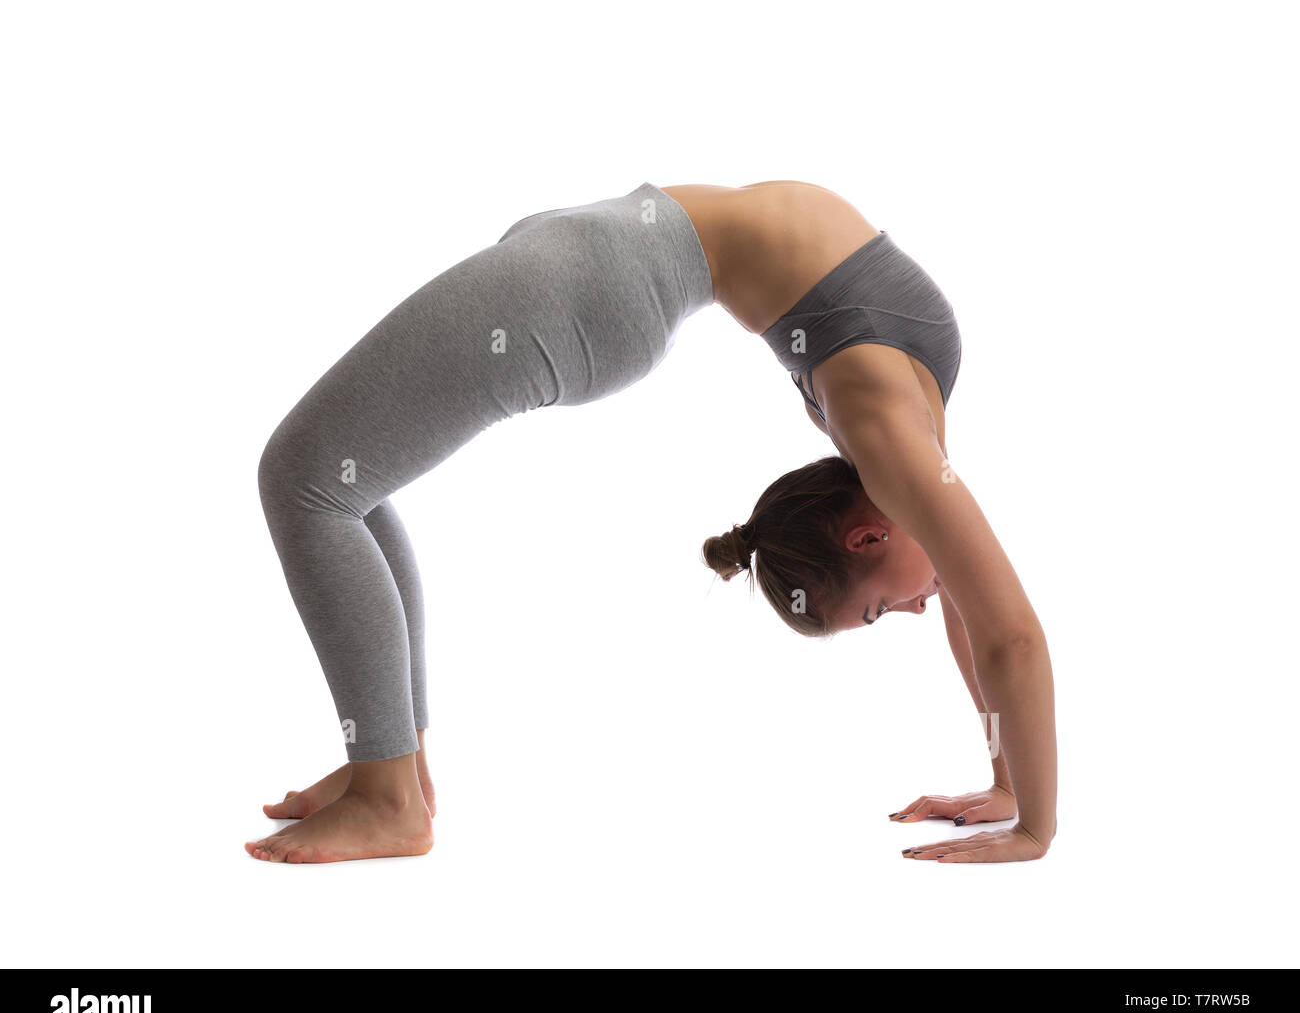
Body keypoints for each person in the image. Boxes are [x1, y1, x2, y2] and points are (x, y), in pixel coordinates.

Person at [249, 180, 1056, 865]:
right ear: (866, 536)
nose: (915, 609)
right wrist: (1033, 824)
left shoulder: (897, 440)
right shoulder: (891, 439)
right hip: (597, 277)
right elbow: (1004, 632)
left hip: (604, 266)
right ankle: (392, 784)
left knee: (324, 478)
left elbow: (969, 603)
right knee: (327, 482)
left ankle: (389, 779)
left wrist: (1012, 787)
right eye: (881, 609)